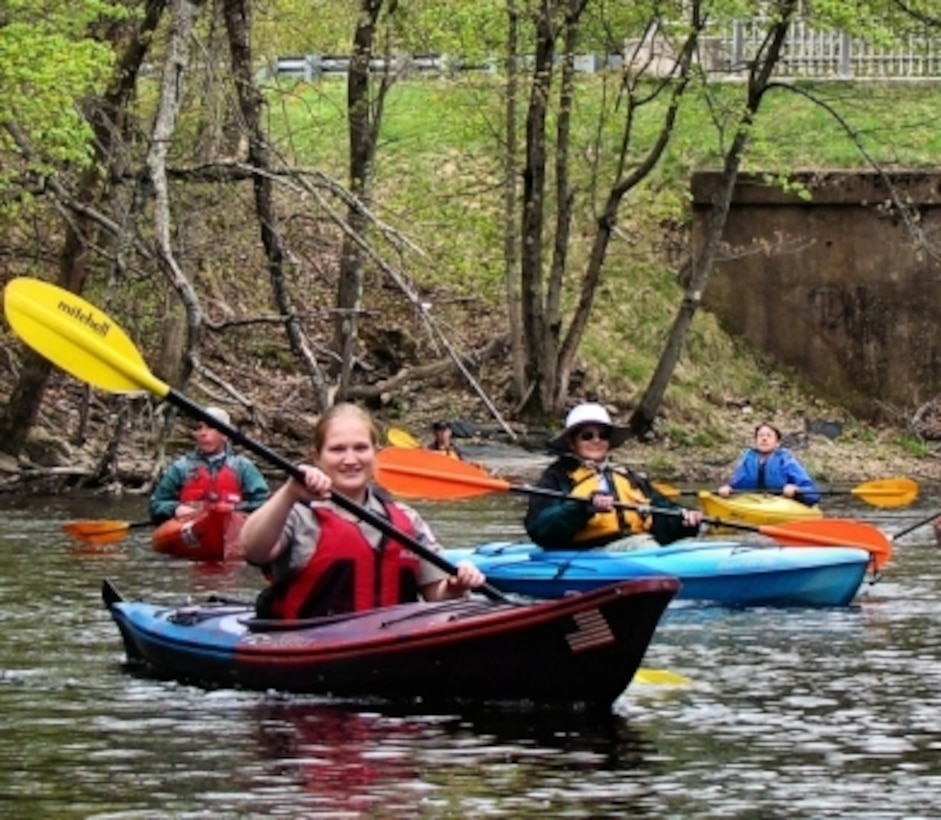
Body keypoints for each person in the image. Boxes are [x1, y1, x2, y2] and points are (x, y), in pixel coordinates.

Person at [238, 402, 486, 619]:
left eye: (360, 448)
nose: (350, 459)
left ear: (375, 454)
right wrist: (288, 493)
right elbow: (253, 551)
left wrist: (456, 587)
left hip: (392, 649)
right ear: (317, 457)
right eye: (337, 449)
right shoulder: (296, 511)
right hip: (311, 654)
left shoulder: (406, 519)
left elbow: (437, 596)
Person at [524, 402, 703, 550]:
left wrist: (683, 519)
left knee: (689, 544)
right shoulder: (557, 477)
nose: (596, 440)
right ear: (572, 442)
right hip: (589, 552)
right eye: (587, 436)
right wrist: (583, 507)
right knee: (643, 546)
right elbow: (540, 527)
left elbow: (661, 511)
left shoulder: (627, 476)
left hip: (635, 545)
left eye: (602, 435)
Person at [148, 406, 270, 524]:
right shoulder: (181, 467)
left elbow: (265, 503)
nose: (203, 433)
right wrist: (175, 509)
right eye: (199, 428)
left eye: (210, 427)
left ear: (225, 435)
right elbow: (156, 504)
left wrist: (234, 508)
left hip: (231, 526)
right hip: (189, 530)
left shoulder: (243, 467)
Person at [717, 422, 821, 506]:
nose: (764, 439)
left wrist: (796, 489)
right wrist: (728, 489)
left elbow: (813, 494)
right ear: (756, 441)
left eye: (769, 436)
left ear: (777, 443)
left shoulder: (786, 460)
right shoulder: (747, 460)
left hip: (783, 505)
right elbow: (736, 485)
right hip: (752, 503)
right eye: (760, 436)